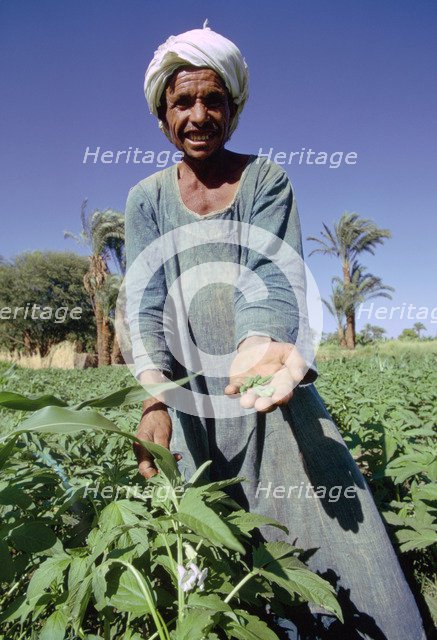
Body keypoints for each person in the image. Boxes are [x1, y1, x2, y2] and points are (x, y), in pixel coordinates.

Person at [123, 24, 426, 640]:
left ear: (234, 110)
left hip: (266, 388)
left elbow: (272, 272)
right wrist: (155, 398)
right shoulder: (146, 200)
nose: (199, 114)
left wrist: (257, 344)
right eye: (183, 102)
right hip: (190, 401)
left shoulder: (266, 179)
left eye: (215, 100)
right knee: (209, 553)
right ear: (162, 116)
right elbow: (145, 302)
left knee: (331, 537)